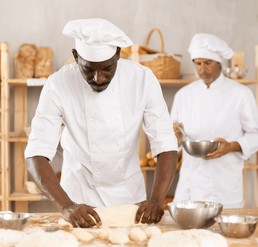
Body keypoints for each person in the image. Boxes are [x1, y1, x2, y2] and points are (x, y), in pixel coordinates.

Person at [25, 18, 178, 227]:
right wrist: (66, 206)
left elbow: (165, 143)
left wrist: (157, 200)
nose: (98, 78)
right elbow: (36, 153)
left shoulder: (142, 79)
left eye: (107, 68)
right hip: (78, 199)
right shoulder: (58, 85)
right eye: (88, 69)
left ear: (118, 54)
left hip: (129, 199)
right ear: (76, 56)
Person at [171, 33, 258, 208]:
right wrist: (176, 136)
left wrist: (231, 146)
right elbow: (175, 138)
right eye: (198, 63)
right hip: (190, 183)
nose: (202, 69)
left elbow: (257, 135)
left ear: (219, 63)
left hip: (224, 184)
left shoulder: (240, 94)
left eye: (208, 63)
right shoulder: (183, 95)